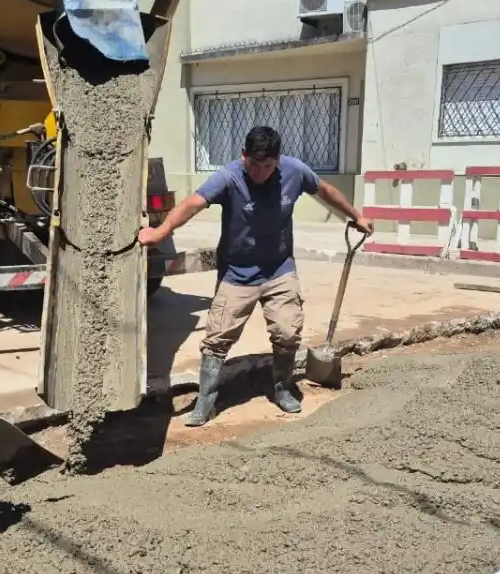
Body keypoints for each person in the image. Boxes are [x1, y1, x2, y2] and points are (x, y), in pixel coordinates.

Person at [138, 126, 373, 427]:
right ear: (243, 156)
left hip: (279, 269)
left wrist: (356, 216)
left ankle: (282, 387)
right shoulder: (229, 177)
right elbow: (193, 204)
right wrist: (161, 231)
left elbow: (324, 190)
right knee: (217, 338)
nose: (260, 173)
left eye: (268, 166)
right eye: (253, 164)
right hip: (237, 274)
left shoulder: (294, 171)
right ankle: (206, 399)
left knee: (287, 332)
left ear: (278, 160)